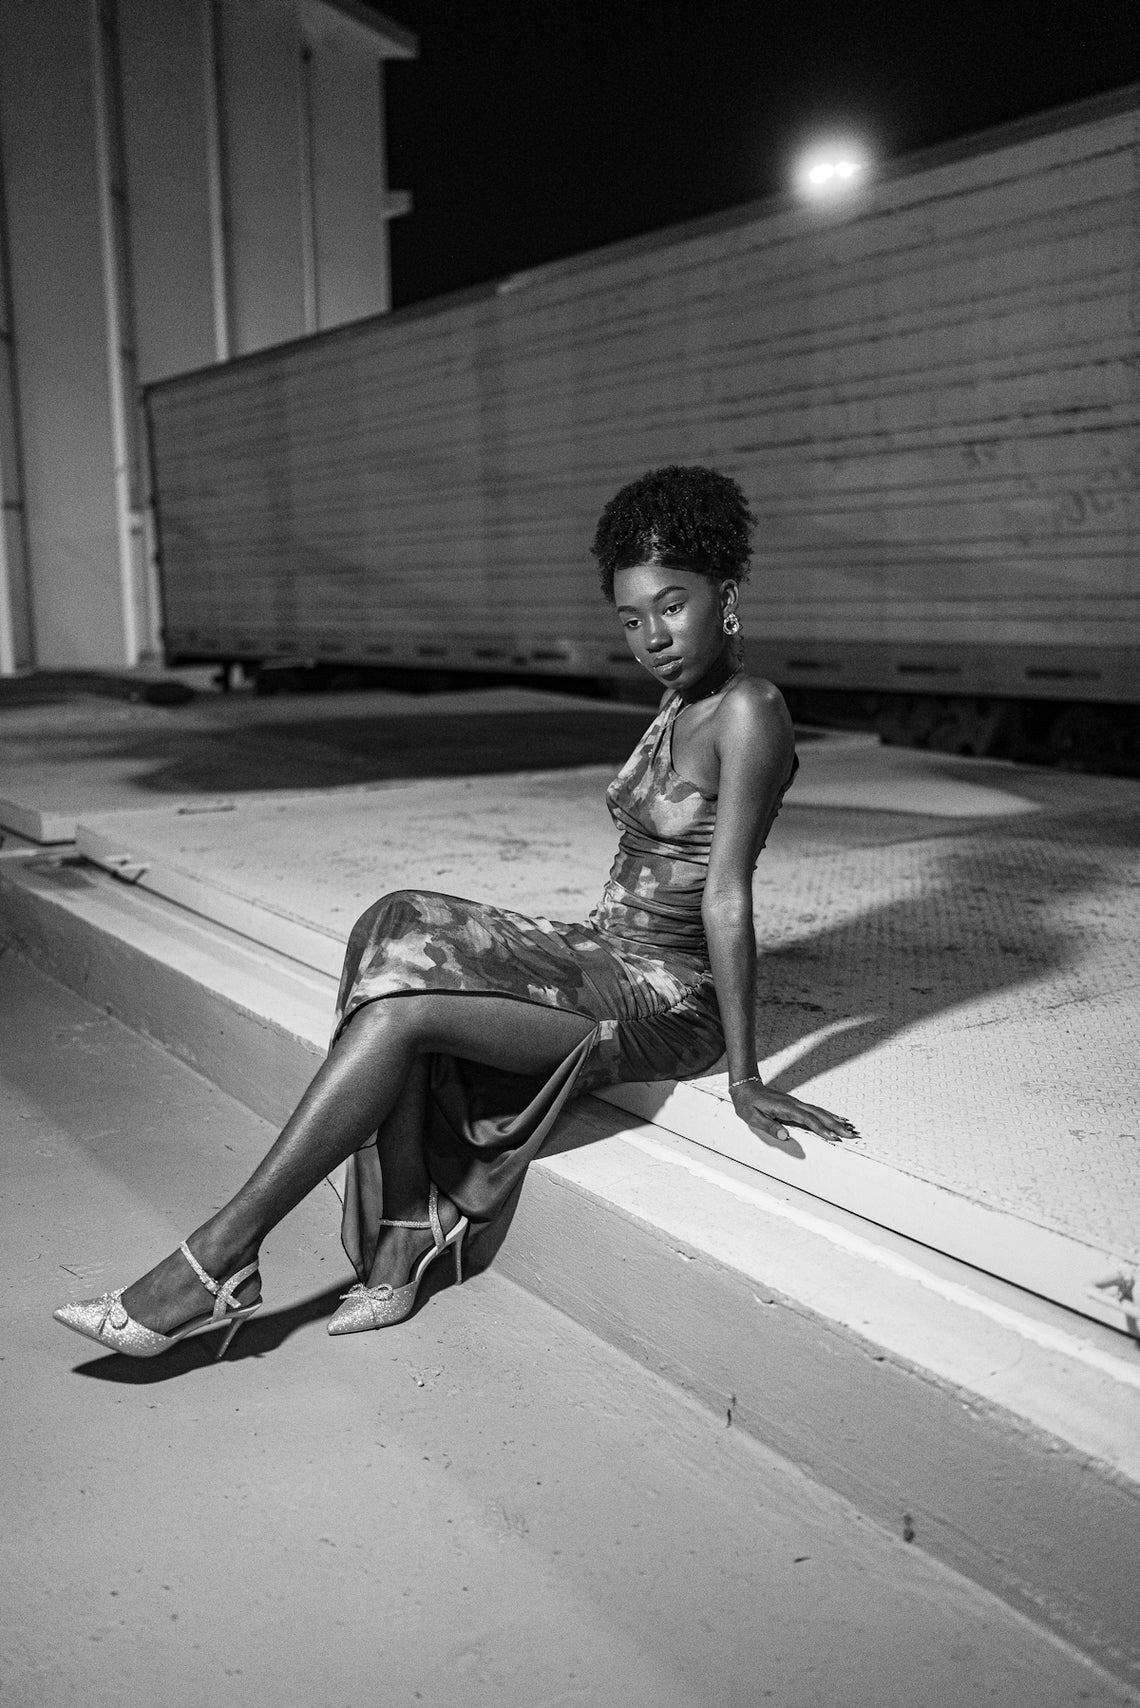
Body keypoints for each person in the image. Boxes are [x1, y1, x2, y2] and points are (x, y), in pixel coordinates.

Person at [54, 465, 856, 1360]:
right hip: (608, 951)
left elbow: (728, 893)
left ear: (727, 595)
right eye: (631, 619)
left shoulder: (750, 710)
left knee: (404, 1011)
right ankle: (402, 1228)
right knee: (392, 920)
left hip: (668, 999)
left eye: (673, 607)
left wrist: (744, 1072)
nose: (653, 638)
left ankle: (221, 1257)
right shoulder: (684, 698)